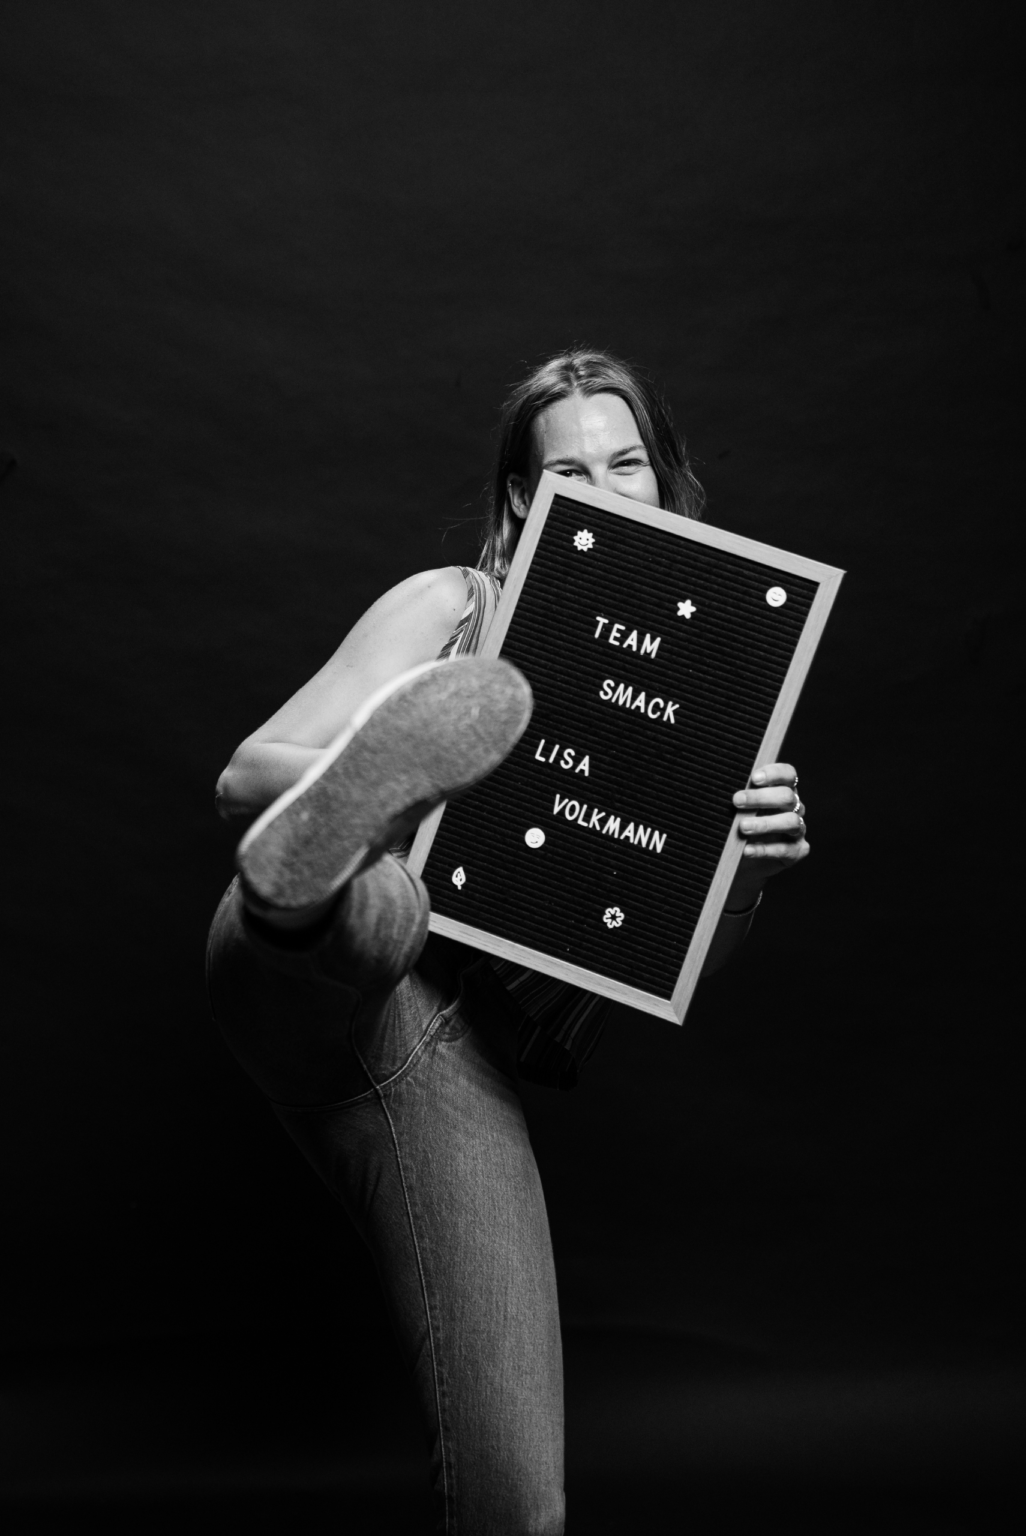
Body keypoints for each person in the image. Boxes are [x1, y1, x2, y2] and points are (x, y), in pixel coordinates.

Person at [206, 349, 809, 1535]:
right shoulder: (454, 605)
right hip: (306, 968)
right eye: (570, 471)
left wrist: (744, 871)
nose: (605, 485)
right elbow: (242, 776)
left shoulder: (708, 697)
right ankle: (329, 874)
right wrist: (430, 785)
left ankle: (350, 872)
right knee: (379, 903)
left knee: (517, 1503)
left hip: (446, 1052)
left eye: (626, 461)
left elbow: (658, 975)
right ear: (527, 499)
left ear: (663, 480)